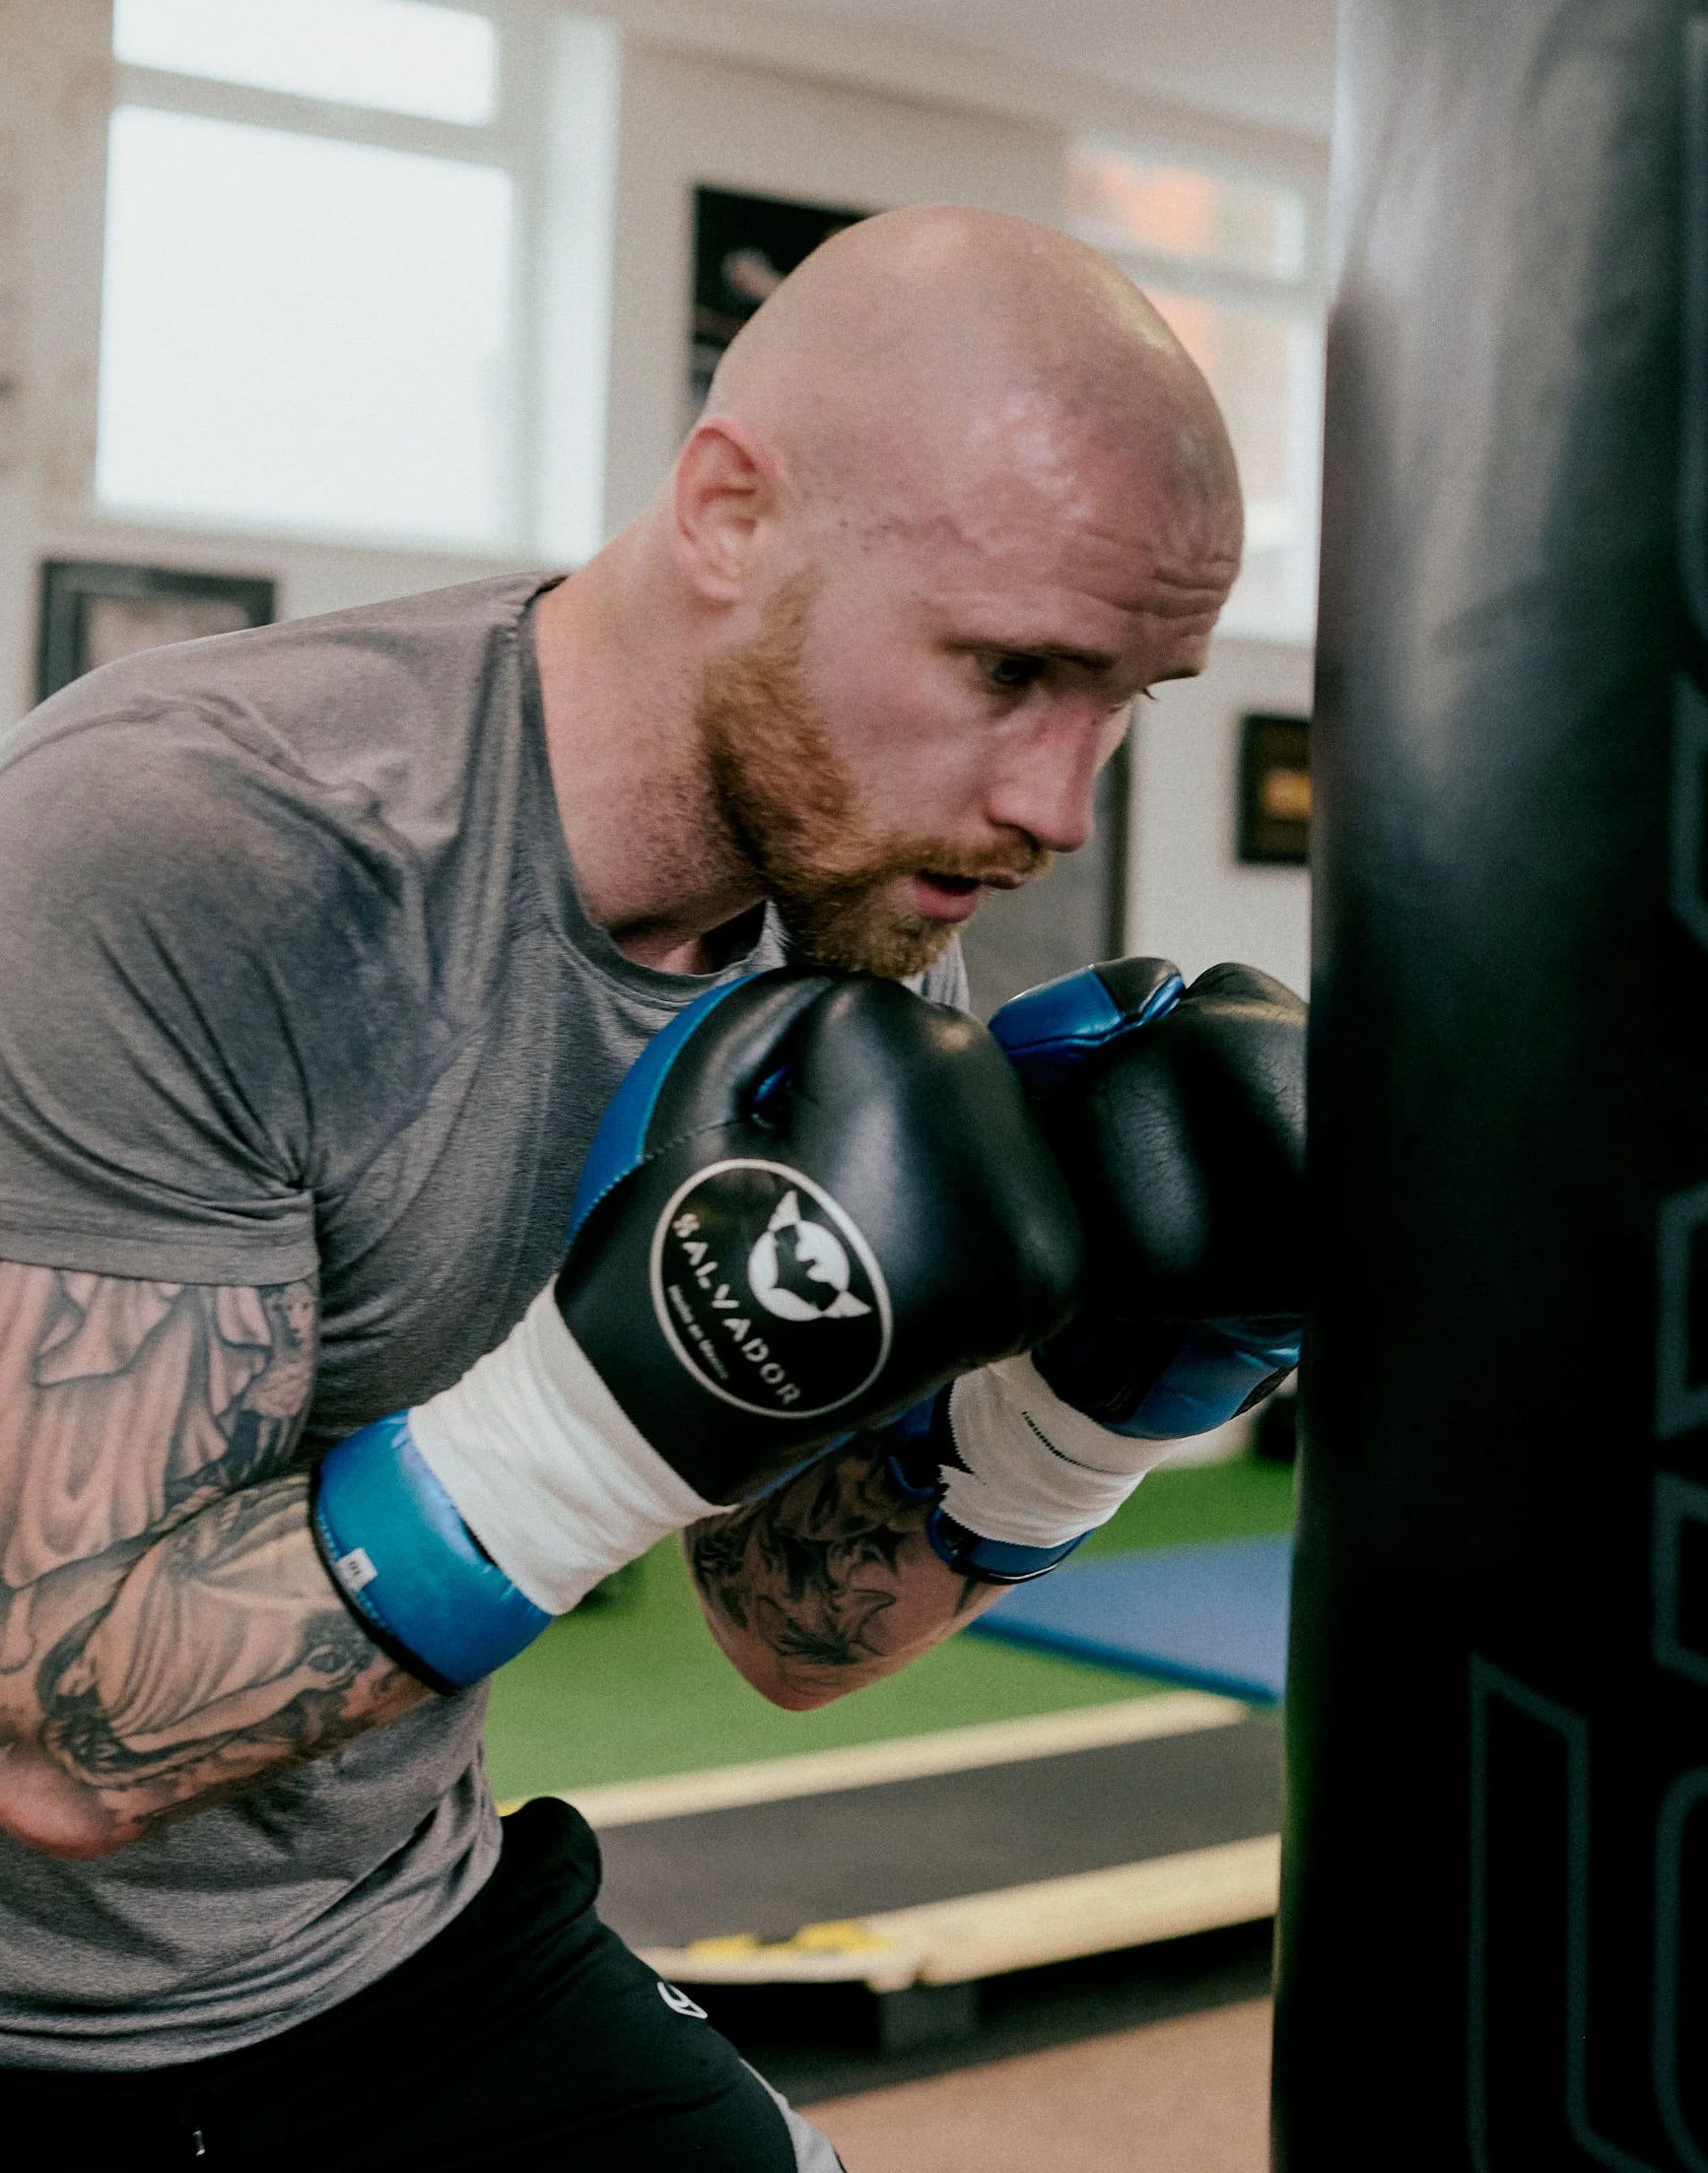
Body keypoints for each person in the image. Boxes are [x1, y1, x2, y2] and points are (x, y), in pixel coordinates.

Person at [0, 204, 1244, 2168]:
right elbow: (52, 1737)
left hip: (376, 1942)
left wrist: (1085, 1398)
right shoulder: (202, 849)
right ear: (730, 514)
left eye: (1123, 698)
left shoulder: (848, 910)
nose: (1055, 804)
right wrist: (602, 1413)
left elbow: (781, 1622)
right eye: (1010, 669)